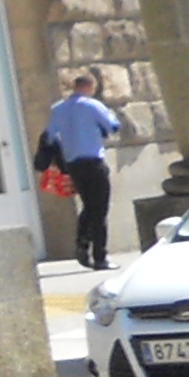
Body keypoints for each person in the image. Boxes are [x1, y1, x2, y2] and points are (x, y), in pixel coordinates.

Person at [44, 72, 127, 269]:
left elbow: (50, 136)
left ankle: (82, 243)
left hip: (73, 164)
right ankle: (100, 256)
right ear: (90, 87)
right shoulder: (93, 105)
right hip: (93, 161)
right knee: (100, 210)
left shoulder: (59, 109)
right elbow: (113, 126)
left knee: (88, 205)